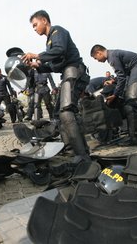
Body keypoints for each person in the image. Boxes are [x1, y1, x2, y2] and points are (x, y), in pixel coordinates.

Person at [21, 10, 90, 163]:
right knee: (59, 114)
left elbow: (59, 50)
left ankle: (82, 156)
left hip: (74, 71)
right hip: (67, 73)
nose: (34, 29)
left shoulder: (57, 31)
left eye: (35, 25)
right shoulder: (49, 42)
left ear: (44, 20)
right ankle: (71, 149)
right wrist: (36, 66)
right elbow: (54, 66)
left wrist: (37, 55)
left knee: (66, 112)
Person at [90, 45, 137, 146]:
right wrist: (114, 80)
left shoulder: (112, 57)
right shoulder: (115, 54)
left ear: (99, 53)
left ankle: (133, 139)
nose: (97, 60)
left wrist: (115, 95)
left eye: (96, 58)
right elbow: (123, 74)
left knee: (131, 105)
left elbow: (122, 77)